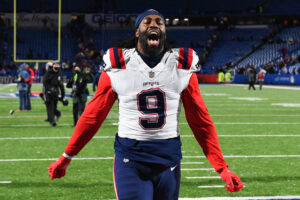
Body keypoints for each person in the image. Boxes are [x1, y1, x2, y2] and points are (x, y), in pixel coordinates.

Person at [48, 9, 243, 199]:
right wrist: (67, 156)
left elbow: (200, 121)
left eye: (159, 22)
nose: (154, 24)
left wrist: (221, 168)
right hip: (131, 160)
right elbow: (93, 116)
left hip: (169, 161)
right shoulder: (119, 64)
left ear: (165, 32)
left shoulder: (182, 65)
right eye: (147, 21)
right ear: (137, 31)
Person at [43, 62, 65, 126]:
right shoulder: (48, 73)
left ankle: (58, 114)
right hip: (49, 92)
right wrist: (48, 90)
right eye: (55, 65)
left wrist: (62, 95)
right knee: (50, 106)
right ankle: (52, 121)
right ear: (53, 66)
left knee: (54, 107)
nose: (56, 67)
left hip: (55, 92)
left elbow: (61, 85)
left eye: (57, 65)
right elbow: (45, 82)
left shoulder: (59, 73)